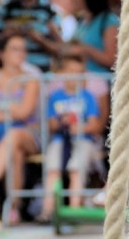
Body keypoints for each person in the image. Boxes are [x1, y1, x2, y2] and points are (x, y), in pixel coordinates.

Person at [0, 26, 40, 223]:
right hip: (2, 135)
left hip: (30, 134)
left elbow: (26, 112)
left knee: (14, 135)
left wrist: (0, 110)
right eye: (15, 49)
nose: (20, 53)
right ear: (2, 53)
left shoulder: (31, 78)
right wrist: (12, 111)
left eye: (23, 49)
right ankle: (13, 206)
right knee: (15, 151)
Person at [41, 50, 106, 214]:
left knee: (76, 169)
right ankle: (47, 210)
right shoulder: (55, 96)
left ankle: (74, 209)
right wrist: (62, 123)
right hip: (60, 140)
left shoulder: (88, 96)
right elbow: (51, 123)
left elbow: (94, 124)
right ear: (62, 74)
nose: (75, 77)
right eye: (71, 72)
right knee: (52, 170)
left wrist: (77, 127)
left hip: (83, 140)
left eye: (79, 73)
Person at [73, 0, 120, 76]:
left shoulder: (108, 21)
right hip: (80, 80)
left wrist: (86, 50)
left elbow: (112, 61)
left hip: (100, 81)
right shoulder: (81, 21)